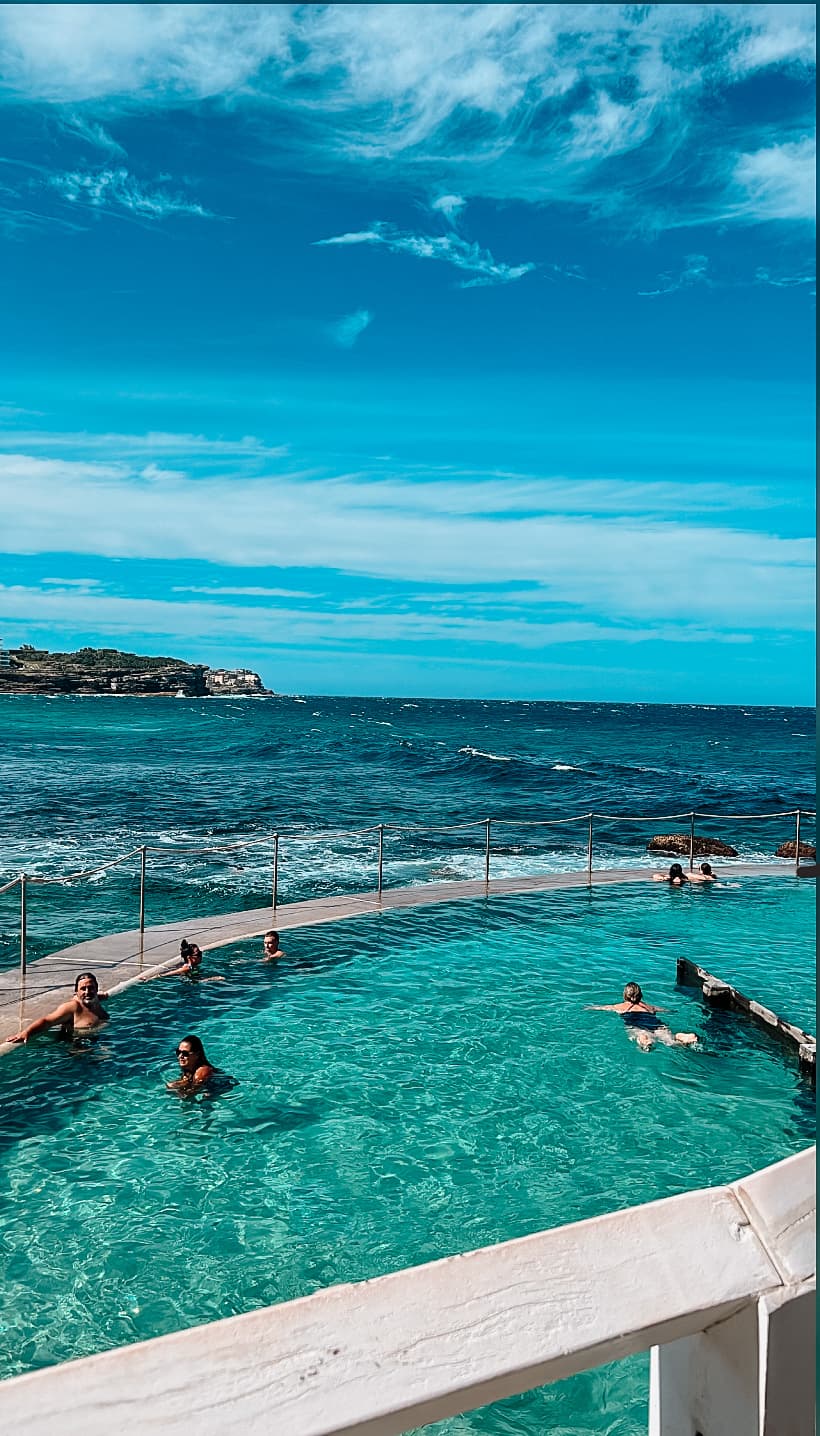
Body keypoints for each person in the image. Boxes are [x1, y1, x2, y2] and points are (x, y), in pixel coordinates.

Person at [586, 982, 698, 1051]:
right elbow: (665, 1010)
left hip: (637, 1026)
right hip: (657, 1025)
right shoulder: (649, 1007)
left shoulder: (620, 1007)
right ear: (640, 995)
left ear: (625, 995)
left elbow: (604, 1007)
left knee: (641, 1036)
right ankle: (680, 1037)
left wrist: (590, 1007)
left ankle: (645, 1039)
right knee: (671, 1042)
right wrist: (672, 1011)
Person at [5, 972, 109, 1044]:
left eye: (91, 988)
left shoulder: (95, 1000)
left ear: (96, 988)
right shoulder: (72, 1007)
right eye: (83, 989)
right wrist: (26, 1032)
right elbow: (47, 1021)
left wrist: (103, 996)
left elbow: (98, 996)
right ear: (76, 992)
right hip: (78, 1049)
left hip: (96, 1041)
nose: (87, 992)